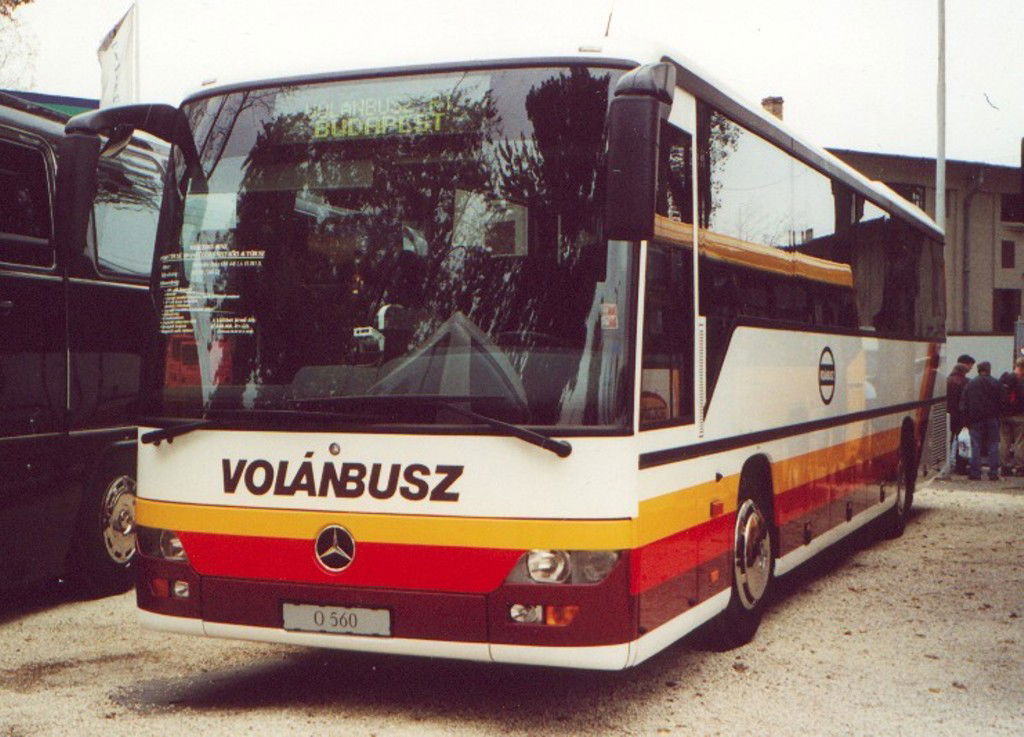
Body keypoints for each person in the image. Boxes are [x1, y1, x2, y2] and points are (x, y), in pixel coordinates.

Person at [960, 360, 1003, 480]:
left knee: (975, 445)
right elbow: (1002, 401)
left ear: (978, 370)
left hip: (975, 419)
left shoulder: (971, 383)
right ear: (989, 370)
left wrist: (965, 420)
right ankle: (993, 473)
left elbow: (964, 403)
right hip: (992, 418)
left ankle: (975, 473)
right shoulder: (996, 383)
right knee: (993, 444)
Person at [936, 359, 973, 479]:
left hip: (946, 415)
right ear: (963, 372)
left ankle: (942, 466)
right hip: (962, 416)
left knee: (946, 441)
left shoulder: (946, 381)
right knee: (962, 441)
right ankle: (961, 467)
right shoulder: (967, 382)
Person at [998, 357, 1024, 475]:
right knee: (1020, 442)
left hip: (1004, 415)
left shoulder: (1005, 378)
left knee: (1004, 441)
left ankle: (1005, 467)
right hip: (1020, 416)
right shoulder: (1022, 381)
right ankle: (1020, 467)